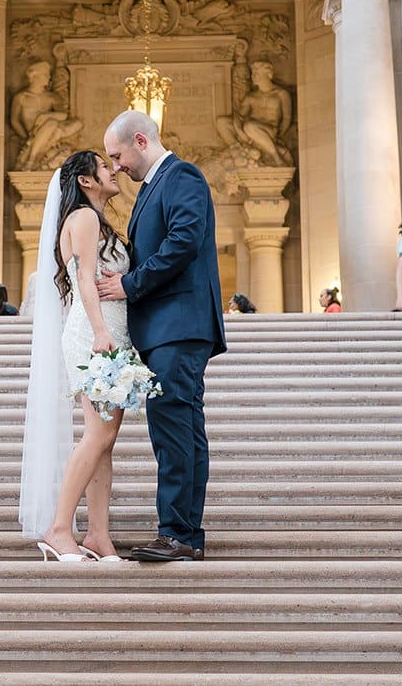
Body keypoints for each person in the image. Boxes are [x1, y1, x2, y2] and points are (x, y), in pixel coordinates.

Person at [96, 111, 227, 562]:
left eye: (117, 156)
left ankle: (179, 533)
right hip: (166, 328)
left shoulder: (181, 176)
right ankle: (182, 531)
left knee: (176, 430)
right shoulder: (153, 188)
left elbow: (184, 240)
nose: (115, 167)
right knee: (177, 429)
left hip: (180, 324)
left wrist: (129, 284)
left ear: (140, 140)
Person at [20, 150, 131, 562]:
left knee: (106, 439)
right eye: (105, 166)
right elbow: (85, 276)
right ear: (86, 181)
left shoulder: (98, 220)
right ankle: (59, 528)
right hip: (94, 334)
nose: (113, 170)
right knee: (98, 435)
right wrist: (102, 332)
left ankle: (98, 535)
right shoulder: (83, 218)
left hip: (112, 332)